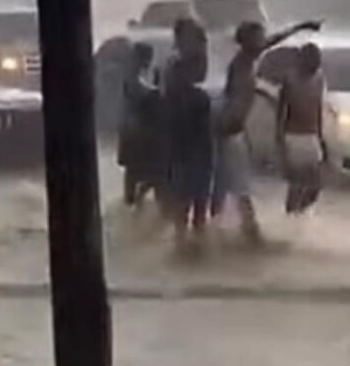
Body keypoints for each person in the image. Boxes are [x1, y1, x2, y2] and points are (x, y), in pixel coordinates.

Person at [212, 18, 323, 242]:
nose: (264, 41)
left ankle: (220, 233)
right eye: (260, 37)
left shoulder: (248, 60)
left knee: (230, 186)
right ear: (248, 41)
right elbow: (233, 100)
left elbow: (273, 41)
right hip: (228, 131)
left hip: (234, 131)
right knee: (234, 187)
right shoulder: (241, 64)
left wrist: (299, 27)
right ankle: (243, 235)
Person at [162, 16, 212, 251]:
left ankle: (190, 245)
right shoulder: (177, 71)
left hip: (193, 143)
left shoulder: (185, 72)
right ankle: (183, 245)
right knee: (187, 197)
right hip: (184, 143)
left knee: (197, 197)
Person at [277, 43, 325, 215]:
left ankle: (299, 213)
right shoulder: (289, 80)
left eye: (318, 61)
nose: (316, 65)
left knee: (316, 186)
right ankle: (290, 218)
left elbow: (318, 109)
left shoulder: (319, 78)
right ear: (302, 61)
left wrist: (321, 139)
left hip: (312, 136)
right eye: (312, 61)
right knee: (296, 184)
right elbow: (280, 114)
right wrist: (281, 144)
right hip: (293, 136)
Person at [117, 42, 161, 208]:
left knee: (135, 172)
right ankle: (133, 203)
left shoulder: (136, 74)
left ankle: (132, 204)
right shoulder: (132, 76)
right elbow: (142, 92)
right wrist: (158, 87)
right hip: (135, 131)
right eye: (147, 58)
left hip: (133, 130)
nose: (149, 62)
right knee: (144, 172)